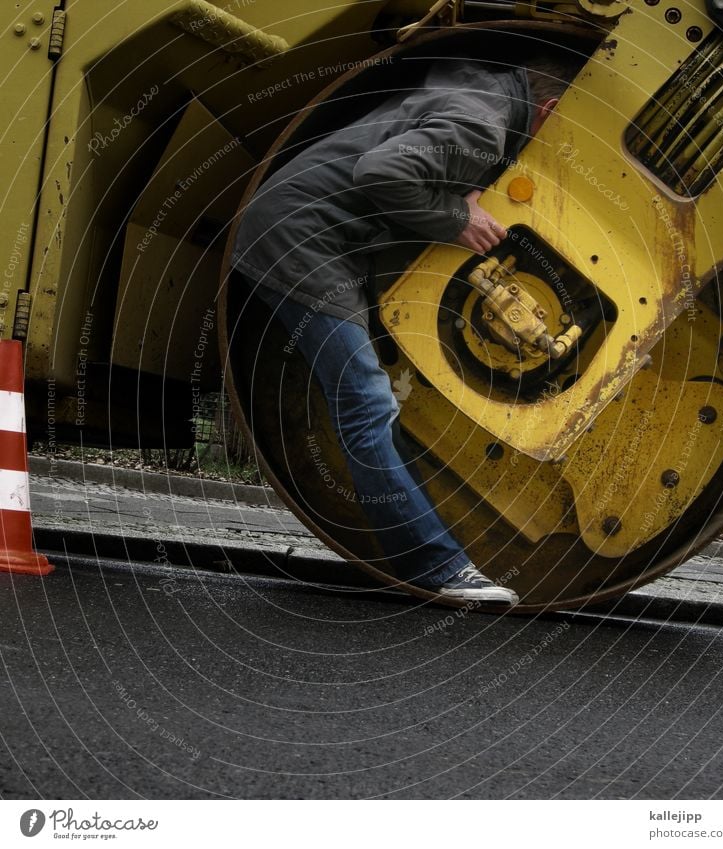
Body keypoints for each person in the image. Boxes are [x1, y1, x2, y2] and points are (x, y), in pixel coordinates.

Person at [231, 52, 580, 605]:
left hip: (317, 235)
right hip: (301, 241)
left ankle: (427, 556)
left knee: (367, 400)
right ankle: (435, 567)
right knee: (366, 401)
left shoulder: (483, 99)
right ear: (552, 108)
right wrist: (460, 217)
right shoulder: (480, 127)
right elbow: (381, 172)